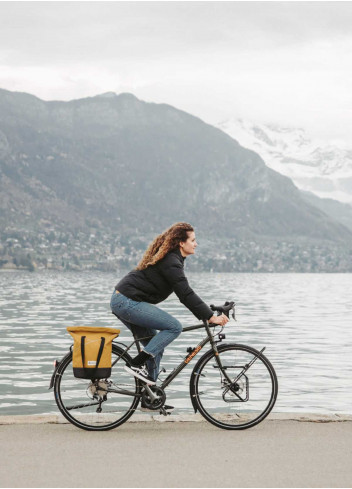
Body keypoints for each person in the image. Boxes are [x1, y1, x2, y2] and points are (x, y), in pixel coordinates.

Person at [110, 222, 229, 411]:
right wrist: (209, 316)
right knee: (174, 327)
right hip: (126, 301)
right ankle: (136, 363)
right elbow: (185, 293)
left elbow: (185, 291)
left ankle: (150, 398)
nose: (196, 244)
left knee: (155, 345)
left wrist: (211, 309)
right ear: (181, 243)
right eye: (193, 240)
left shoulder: (173, 260)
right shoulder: (171, 262)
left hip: (124, 300)